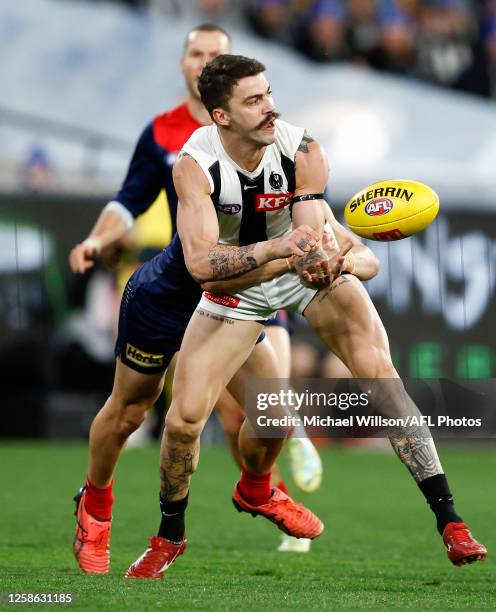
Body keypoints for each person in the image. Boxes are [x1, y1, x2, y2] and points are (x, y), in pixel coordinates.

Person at [126, 53, 487, 578]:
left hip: (298, 266)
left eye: (269, 93)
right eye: (253, 100)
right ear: (220, 116)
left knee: (384, 382)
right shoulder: (194, 165)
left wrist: (331, 261)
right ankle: (170, 536)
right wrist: (281, 251)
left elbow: (322, 236)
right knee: (184, 421)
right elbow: (203, 265)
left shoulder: (303, 148)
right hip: (238, 283)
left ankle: (451, 523)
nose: (270, 107)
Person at [70, 25, 326, 575]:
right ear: (190, 70)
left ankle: (259, 488)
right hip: (169, 296)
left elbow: (310, 212)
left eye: (218, 53)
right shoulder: (177, 146)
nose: (268, 107)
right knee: (129, 413)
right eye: (198, 53)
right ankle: (95, 507)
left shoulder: (280, 140)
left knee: (268, 412)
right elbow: (134, 203)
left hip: (236, 296)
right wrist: (96, 238)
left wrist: (334, 249)